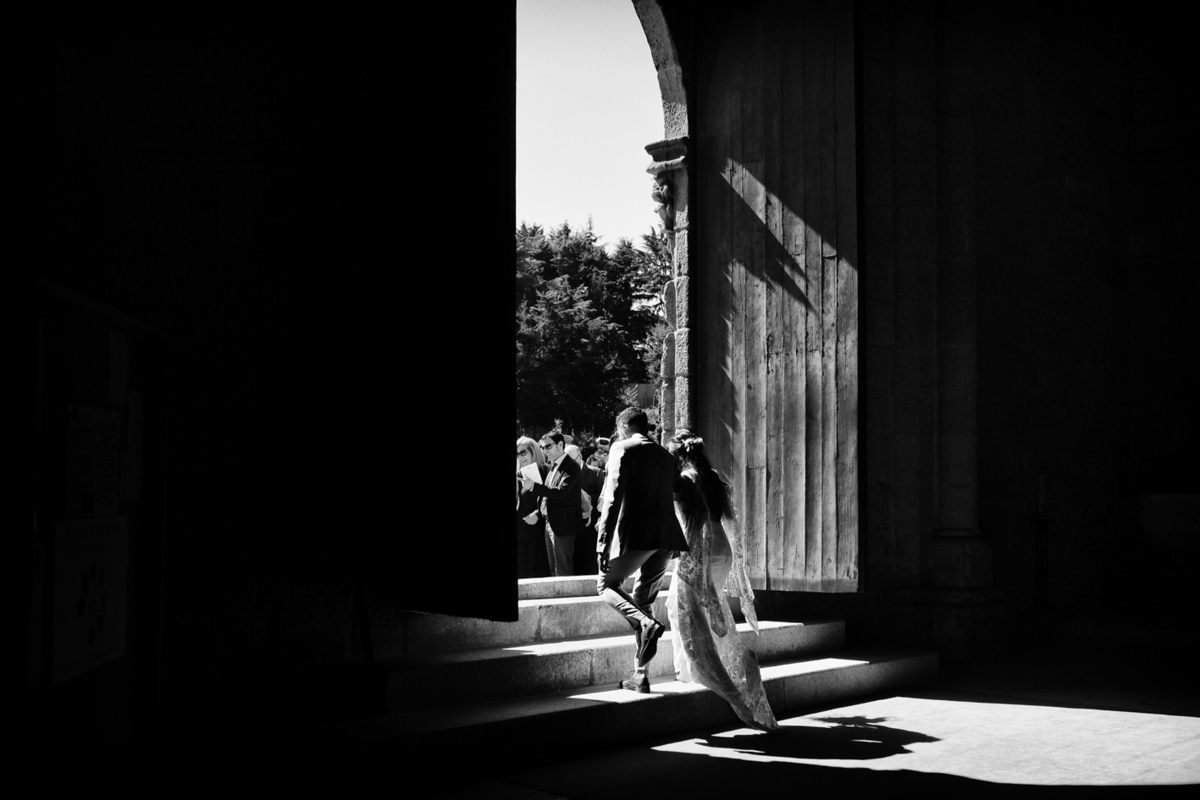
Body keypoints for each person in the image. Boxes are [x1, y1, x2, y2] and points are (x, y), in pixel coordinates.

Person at [665, 429, 778, 731]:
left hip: (701, 549)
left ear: (678, 456)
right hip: (721, 549)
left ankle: (717, 681)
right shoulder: (712, 477)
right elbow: (728, 518)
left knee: (687, 614)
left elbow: (680, 517)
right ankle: (695, 670)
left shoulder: (685, 479)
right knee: (701, 611)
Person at [595, 407, 689, 693]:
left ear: (623, 426)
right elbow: (679, 491)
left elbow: (612, 498)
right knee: (642, 600)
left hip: (638, 535)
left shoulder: (622, 448)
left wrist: (602, 541)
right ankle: (640, 675)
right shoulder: (667, 456)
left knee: (605, 585)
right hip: (666, 538)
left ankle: (645, 623)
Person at [522, 431, 582, 576]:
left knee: (562, 572)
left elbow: (560, 492)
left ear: (560, 445)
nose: (545, 451)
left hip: (562, 527)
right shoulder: (553, 466)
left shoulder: (571, 466)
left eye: (548, 446)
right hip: (550, 524)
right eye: (542, 447)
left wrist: (533, 486)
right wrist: (538, 512)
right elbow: (547, 496)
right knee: (554, 571)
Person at [515, 436, 551, 578]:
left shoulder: (547, 471)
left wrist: (537, 514)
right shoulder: (519, 473)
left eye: (523, 452)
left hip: (540, 529)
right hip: (522, 529)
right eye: (517, 454)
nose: (520, 457)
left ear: (534, 451)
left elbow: (550, 498)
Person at [567, 444, 603, 575]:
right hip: (571, 526)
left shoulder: (596, 473)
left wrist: (584, 497)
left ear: (580, 456)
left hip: (589, 526)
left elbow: (601, 496)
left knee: (589, 560)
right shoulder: (565, 474)